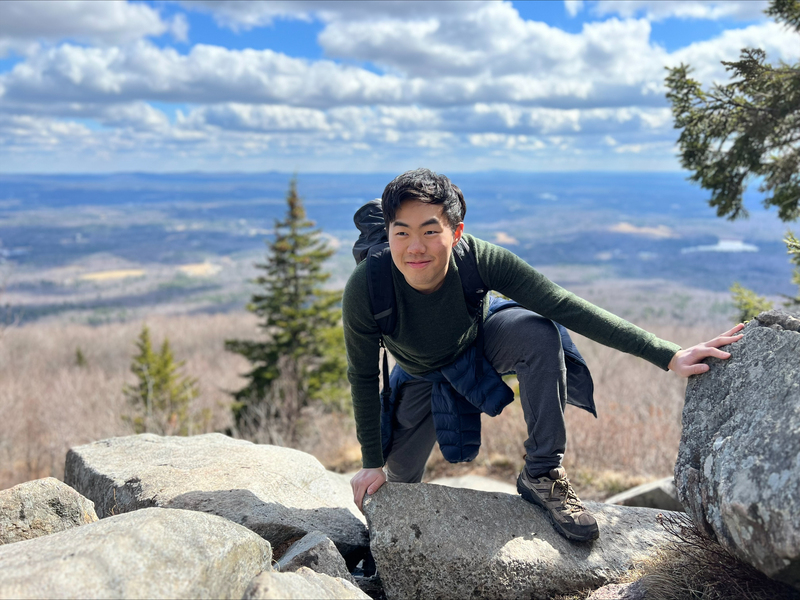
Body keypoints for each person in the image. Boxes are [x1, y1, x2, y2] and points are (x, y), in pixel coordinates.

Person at [343, 168, 743, 542]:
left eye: (431, 231)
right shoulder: (368, 286)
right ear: (390, 233)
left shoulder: (479, 260)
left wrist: (668, 354)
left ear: (457, 232)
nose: (415, 247)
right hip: (417, 374)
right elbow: (362, 375)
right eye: (402, 233)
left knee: (538, 332)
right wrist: (370, 460)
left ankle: (542, 472)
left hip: (479, 342)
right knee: (394, 488)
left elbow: (562, 304)